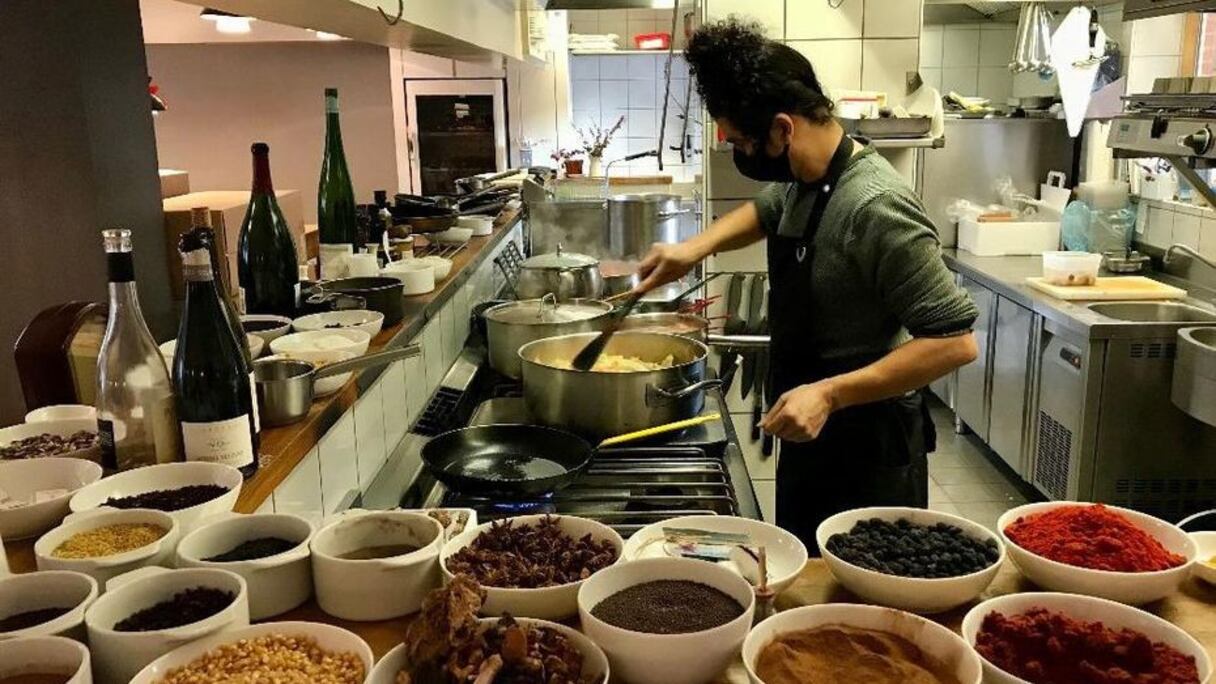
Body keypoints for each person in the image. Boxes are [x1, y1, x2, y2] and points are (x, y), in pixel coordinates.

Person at [634, 19, 980, 552]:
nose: (740, 153)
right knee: (805, 570)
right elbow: (765, 210)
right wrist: (691, 250)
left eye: (742, 141)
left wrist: (829, 393)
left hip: (866, 443)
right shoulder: (807, 180)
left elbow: (954, 341)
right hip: (811, 423)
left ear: (782, 129)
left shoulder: (875, 205)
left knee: (855, 603)